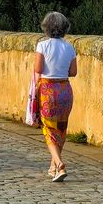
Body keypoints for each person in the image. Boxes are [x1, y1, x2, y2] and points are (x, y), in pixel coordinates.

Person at [33, 11, 78, 182]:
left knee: (48, 129)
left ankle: (59, 164)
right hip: (65, 90)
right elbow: (73, 72)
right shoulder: (69, 47)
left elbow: (38, 69)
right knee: (61, 127)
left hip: (48, 90)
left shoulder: (42, 46)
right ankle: (53, 165)